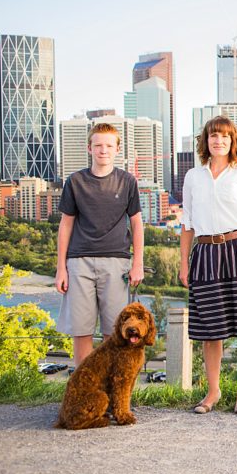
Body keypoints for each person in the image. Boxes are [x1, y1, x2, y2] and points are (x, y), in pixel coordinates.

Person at [179, 115, 237, 415]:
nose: (219, 141)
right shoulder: (193, 176)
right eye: (213, 136)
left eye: (225, 136)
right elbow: (187, 223)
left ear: (233, 141)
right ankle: (212, 392)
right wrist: (183, 264)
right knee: (209, 329)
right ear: (205, 141)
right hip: (205, 253)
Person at [55, 122, 144, 366]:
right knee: (81, 331)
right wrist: (61, 268)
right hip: (79, 263)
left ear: (117, 149)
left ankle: (111, 393)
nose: (103, 150)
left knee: (114, 332)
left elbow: (137, 224)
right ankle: (85, 393)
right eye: (98, 145)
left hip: (117, 263)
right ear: (89, 148)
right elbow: (65, 226)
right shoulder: (75, 182)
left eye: (108, 145)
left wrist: (138, 263)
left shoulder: (127, 181)